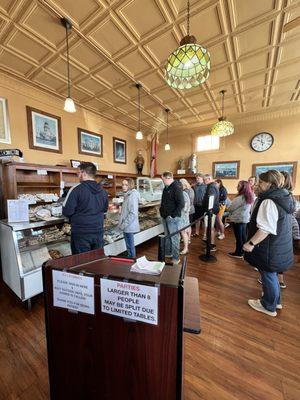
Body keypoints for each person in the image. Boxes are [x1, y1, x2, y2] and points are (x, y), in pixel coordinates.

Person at [243, 170, 294, 317]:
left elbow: (265, 229)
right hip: (279, 245)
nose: (258, 185)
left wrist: (251, 243)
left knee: (267, 274)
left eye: (261, 182)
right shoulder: (284, 196)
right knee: (271, 274)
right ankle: (275, 301)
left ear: (270, 184)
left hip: (270, 247)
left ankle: (268, 305)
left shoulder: (269, 201)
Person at [63, 162, 108, 254]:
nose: (78, 176)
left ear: (83, 173)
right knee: (97, 260)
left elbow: (67, 211)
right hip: (98, 231)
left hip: (81, 233)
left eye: (78, 173)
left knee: (81, 263)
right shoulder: (103, 191)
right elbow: (105, 209)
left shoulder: (75, 190)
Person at [160, 171, 185, 265]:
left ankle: (176, 258)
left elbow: (181, 204)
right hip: (165, 216)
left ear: (168, 178)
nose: (162, 181)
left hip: (173, 218)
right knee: (168, 236)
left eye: (163, 179)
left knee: (174, 238)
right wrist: (162, 212)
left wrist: (173, 215)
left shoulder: (176, 187)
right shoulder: (166, 188)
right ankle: (168, 253)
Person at [227, 180, 254, 258]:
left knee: (239, 238)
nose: (237, 187)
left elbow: (230, 208)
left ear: (243, 187)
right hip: (244, 219)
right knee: (243, 237)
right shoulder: (249, 195)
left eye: (239, 185)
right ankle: (244, 252)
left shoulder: (240, 197)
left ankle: (238, 253)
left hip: (238, 219)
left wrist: (228, 206)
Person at [118, 178, 140, 258]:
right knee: (129, 245)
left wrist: (123, 224)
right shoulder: (128, 194)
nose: (124, 186)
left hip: (129, 225)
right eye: (123, 184)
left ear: (130, 185)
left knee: (130, 246)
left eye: (126, 185)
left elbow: (132, 213)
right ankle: (130, 259)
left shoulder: (132, 195)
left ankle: (131, 261)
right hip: (127, 225)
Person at [202, 174, 219, 251]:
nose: (203, 181)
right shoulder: (212, 186)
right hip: (212, 210)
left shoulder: (211, 186)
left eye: (204, 180)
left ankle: (211, 245)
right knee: (210, 227)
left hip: (210, 211)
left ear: (209, 179)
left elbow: (211, 200)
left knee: (210, 228)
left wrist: (209, 211)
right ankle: (210, 243)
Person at [179, 179, 191, 254]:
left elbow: (185, 206)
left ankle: (186, 248)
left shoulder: (183, 193)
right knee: (182, 232)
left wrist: (182, 211)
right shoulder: (183, 193)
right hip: (183, 215)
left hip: (183, 216)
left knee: (183, 232)